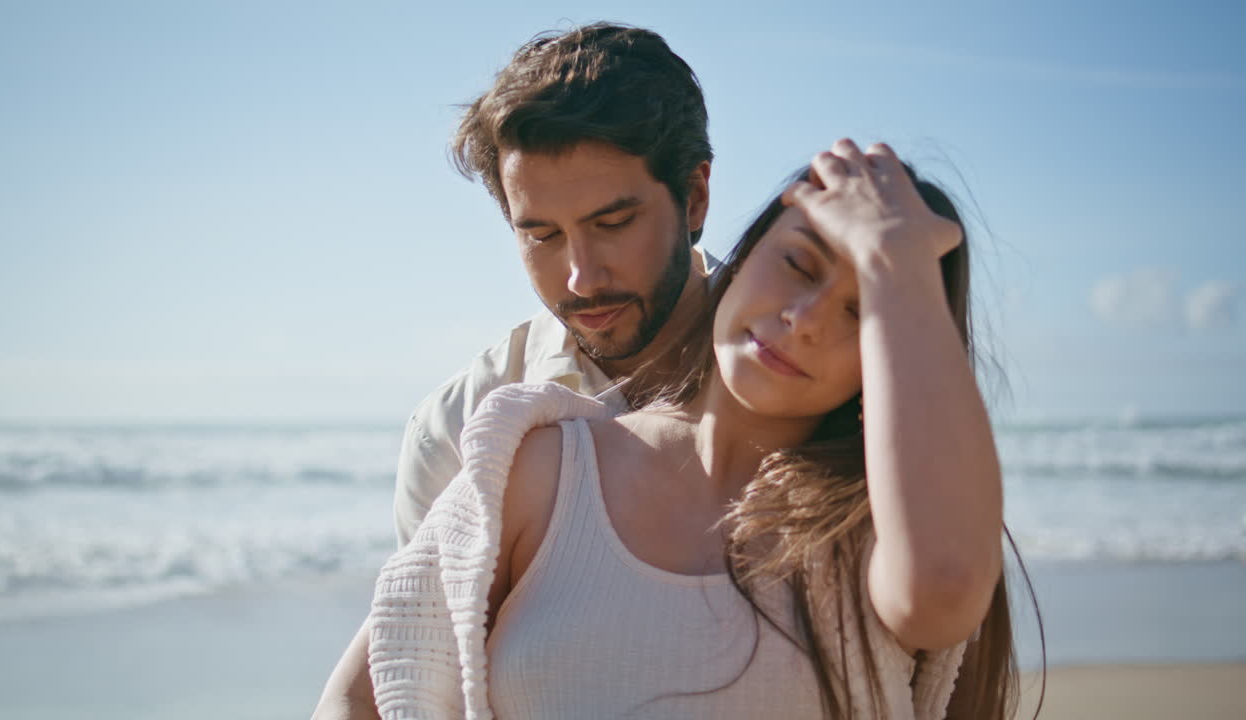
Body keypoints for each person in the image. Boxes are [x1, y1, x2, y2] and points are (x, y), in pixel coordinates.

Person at [331, 141, 1030, 719]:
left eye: (864, 311)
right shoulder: (537, 466)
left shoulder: (885, 533)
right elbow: (363, 697)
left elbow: (942, 588)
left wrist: (900, 263)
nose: (806, 319)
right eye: (798, 265)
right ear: (746, 254)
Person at [312, 22, 719, 719]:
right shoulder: (458, 426)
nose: (582, 277)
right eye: (542, 235)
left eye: (614, 223)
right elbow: (415, 682)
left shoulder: (817, 375)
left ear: (695, 196)